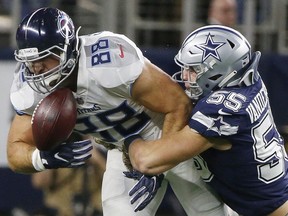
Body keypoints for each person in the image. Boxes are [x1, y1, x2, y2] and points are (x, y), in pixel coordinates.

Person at [7, 7, 229, 216]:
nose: (37, 70)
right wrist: (41, 158)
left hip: (169, 132)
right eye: (30, 62)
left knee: (209, 210)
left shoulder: (109, 60)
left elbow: (178, 104)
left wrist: (158, 161)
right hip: (124, 148)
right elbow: (15, 153)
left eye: (44, 59)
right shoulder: (29, 86)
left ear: (68, 50)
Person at [124, 25, 288, 216]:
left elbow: (147, 161)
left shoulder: (219, 111)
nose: (185, 76)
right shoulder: (251, 81)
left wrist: (127, 138)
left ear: (220, 70)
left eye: (193, 69)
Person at [31, 144, 106, 216]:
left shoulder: (94, 151)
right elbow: (39, 182)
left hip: (94, 207)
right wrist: (49, 151)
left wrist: (96, 157)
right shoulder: (55, 152)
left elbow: (112, 180)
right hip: (62, 208)